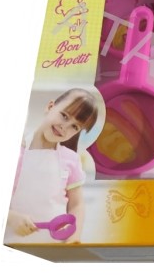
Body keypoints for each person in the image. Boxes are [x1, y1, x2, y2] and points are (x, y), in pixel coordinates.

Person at [5, 88, 99, 244]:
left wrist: (74, 239)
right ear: (50, 107)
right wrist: (10, 217)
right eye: (64, 116)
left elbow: (76, 204)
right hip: (11, 243)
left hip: (52, 247)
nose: (65, 127)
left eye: (74, 127)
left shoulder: (71, 160)